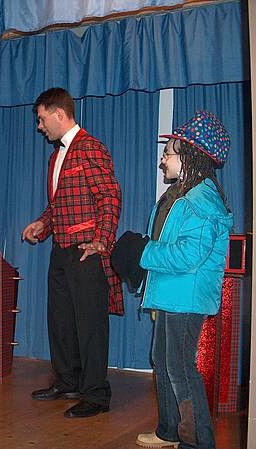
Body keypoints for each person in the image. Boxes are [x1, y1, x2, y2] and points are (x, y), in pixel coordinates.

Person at [114, 111, 232, 449]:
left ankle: (199, 441)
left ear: (190, 156)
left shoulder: (201, 200)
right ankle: (169, 431)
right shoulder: (179, 194)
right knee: (163, 361)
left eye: (168, 153)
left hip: (186, 296)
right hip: (170, 291)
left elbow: (188, 255)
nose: (162, 159)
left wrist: (143, 251)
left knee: (180, 367)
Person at [21, 87, 122, 418]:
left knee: (90, 325)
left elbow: (109, 196)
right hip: (60, 250)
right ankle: (67, 382)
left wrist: (101, 240)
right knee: (61, 321)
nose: (39, 127)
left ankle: (96, 395)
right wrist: (42, 224)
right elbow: (59, 206)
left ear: (59, 114)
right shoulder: (56, 157)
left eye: (41, 119)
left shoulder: (90, 147)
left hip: (86, 250)